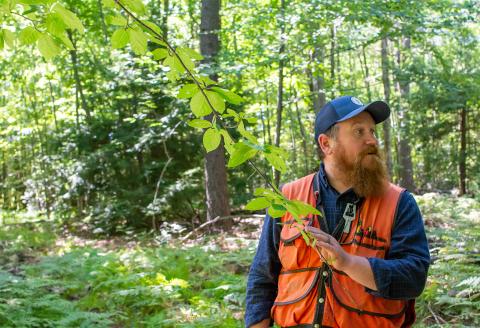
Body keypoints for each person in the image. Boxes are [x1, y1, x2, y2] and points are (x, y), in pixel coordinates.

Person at [245, 95, 430, 328]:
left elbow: (413, 278)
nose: (372, 140)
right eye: (359, 132)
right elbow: (262, 278)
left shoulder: (399, 202)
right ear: (326, 144)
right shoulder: (288, 198)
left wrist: (349, 263)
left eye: (372, 131)